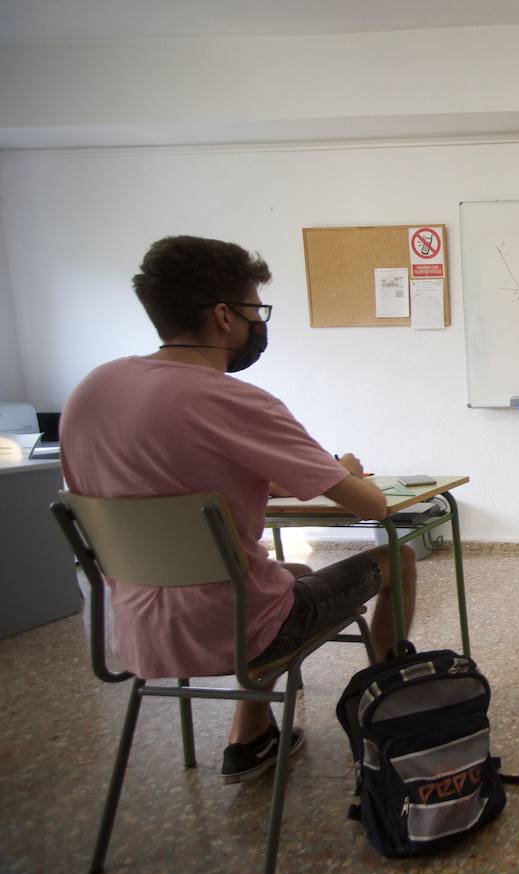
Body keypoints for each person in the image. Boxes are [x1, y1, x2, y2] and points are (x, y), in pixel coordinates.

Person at [61, 235, 417, 784]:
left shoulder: (92, 390)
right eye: (257, 310)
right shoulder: (232, 400)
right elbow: (371, 505)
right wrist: (341, 468)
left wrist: (261, 480)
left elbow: (159, 484)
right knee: (399, 557)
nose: (259, 324)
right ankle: (387, 712)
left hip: (136, 630)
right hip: (237, 632)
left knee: (290, 574)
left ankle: (250, 739)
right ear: (224, 316)